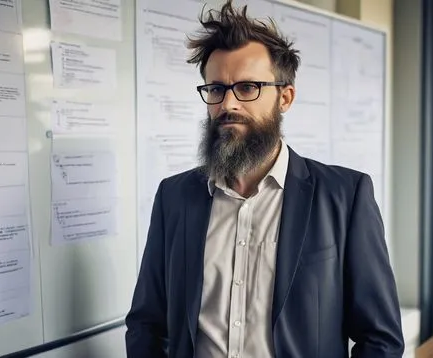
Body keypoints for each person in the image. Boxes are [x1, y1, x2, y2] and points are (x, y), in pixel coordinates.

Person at [125, 1, 404, 357]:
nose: (229, 104)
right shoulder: (174, 196)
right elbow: (148, 324)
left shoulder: (346, 197)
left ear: (284, 97)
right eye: (216, 89)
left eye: (247, 88)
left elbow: (380, 339)